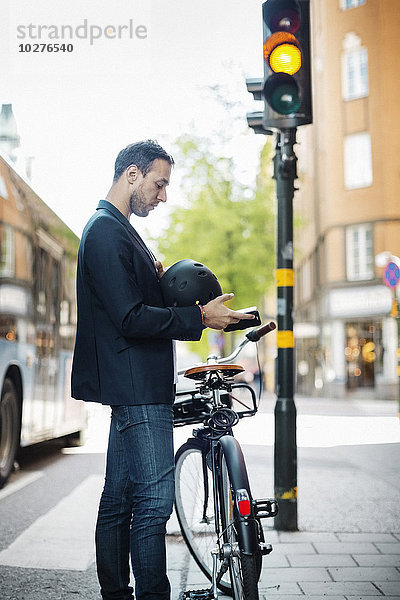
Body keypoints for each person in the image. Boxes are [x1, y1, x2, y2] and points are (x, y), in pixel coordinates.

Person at [71, 139, 253, 600]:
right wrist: (200, 318)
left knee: (119, 499)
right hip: (137, 388)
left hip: (133, 384)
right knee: (153, 503)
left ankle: (116, 593)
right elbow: (129, 318)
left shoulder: (116, 230)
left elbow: (131, 303)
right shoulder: (106, 232)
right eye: (159, 183)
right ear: (131, 175)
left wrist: (156, 278)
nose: (163, 194)